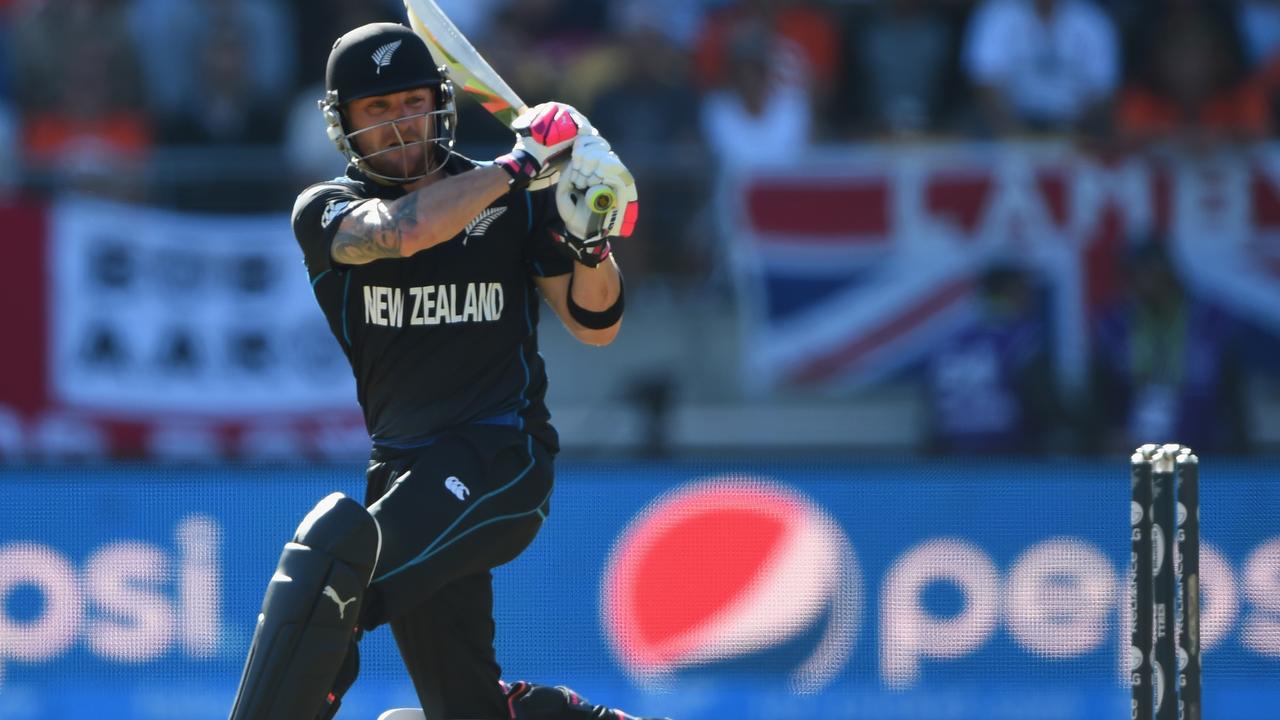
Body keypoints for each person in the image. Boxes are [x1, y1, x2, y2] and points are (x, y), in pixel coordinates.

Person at [227, 22, 660, 720]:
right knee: (465, 711)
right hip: (404, 469)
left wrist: (591, 238)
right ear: (344, 127)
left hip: (501, 455)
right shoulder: (327, 211)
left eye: (411, 102)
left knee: (331, 573)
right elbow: (401, 233)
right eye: (378, 110)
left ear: (439, 102)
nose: (401, 124)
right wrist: (519, 167)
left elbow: (595, 323)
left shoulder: (515, 200)